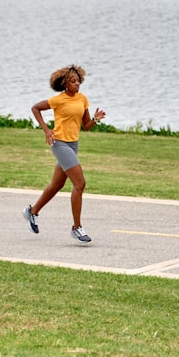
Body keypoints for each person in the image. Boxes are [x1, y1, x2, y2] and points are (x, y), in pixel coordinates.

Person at [22, 64, 106, 244]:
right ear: (65, 83)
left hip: (73, 144)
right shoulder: (58, 100)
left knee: (56, 185)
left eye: (78, 81)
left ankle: (32, 211)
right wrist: (46, 130)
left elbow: (86, 126)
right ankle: (77, 227)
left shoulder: (82, 99)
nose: (77, 84)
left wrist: (95, 120)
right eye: (73, 81)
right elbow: (35, 108)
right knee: (80, 183)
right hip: (59, 144)